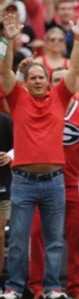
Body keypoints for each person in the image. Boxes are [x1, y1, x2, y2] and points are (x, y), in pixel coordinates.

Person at [0, 11, 79, 299]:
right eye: (33, 77)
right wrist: (8, 40)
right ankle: (13, 286)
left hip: (54, 181)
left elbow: (74, 70)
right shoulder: (18, 98)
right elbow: (4, 72)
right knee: (18, 241)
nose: (37, 81)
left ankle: (52, 288)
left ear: (49, 81)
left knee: (54, 241)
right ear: (26, 81)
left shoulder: (60, 98)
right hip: (23, 181)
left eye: (42, 77)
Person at [28, 67, 79, 299]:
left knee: (76, 239)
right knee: (37, 235)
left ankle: (77, 287)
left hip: (75, 184)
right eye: (55, 79)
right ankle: (36, 286)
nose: (60, 83)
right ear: (48, 83)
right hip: (42, 184)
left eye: (65, 79)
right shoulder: (41, 109)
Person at [0, 112, 12, 289]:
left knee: (0, 234)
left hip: (2, 185)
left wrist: (10, 156)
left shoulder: (4, 120)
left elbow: (17, 146)